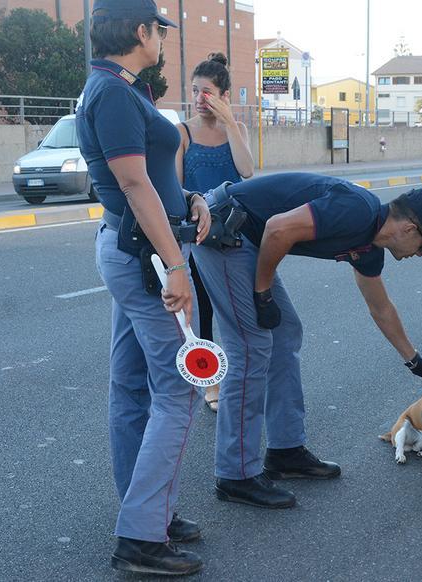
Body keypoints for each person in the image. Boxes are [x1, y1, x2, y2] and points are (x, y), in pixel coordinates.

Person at [191, 173, 422, 509]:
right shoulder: (358, 209)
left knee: (285, 334)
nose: (418, 255)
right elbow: (278, 229)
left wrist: (415, 362)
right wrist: (262, 292)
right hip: (224, 228)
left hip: (246, 237)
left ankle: (285, 451)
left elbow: (381, 308)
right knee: (251, 348)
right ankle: (235, 474)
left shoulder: (369, 247)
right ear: (410, 228)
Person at [76, 0, 211, 575]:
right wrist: (175, 266)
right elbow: (133, 182)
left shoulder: (117, 87)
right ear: (140, 31)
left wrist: (193, 201)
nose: (162, 38)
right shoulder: (112, 92)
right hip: (146, 258)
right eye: (160, 29)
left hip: (140, 250)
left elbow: (155, 175)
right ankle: (140, 535)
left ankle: (148, 509)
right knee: (182, 386)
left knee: (131, 385)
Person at [175, 52, 254, 413]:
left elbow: (247, 171)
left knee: (238, 312)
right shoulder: (183, 132)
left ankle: (242, 378)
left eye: (206, 92)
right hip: (198, 237)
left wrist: (232, 125)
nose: (198, 99)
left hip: (235, 233)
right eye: (194, 91)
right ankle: (211, 382)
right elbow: (174, 188)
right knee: (203, 310)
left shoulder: (236, 130)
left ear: (223, 95)